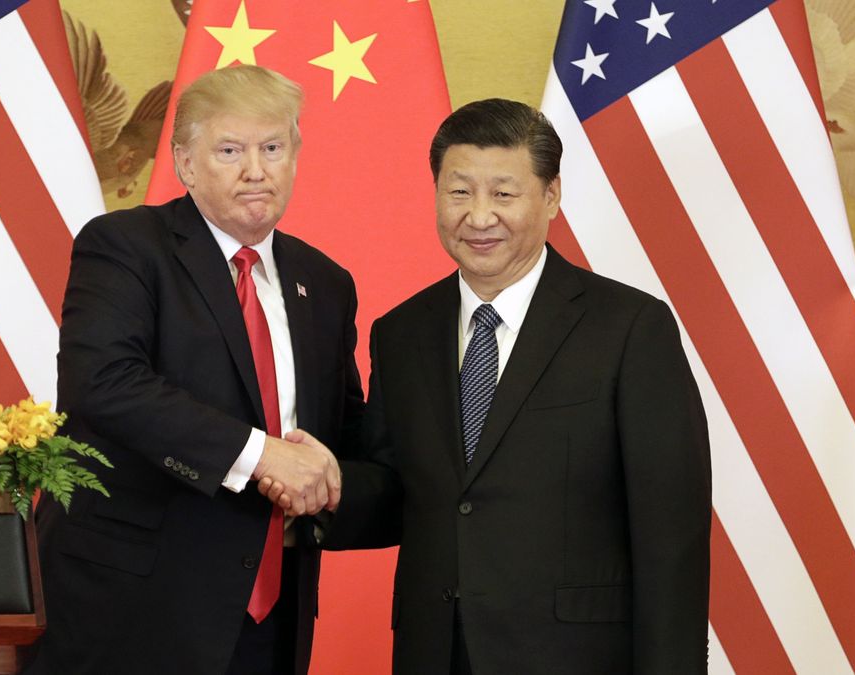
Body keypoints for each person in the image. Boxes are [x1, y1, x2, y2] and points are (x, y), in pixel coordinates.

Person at [266, 98, 711, 674]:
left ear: (551, 196)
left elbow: (671, 536)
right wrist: (324, 488)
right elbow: (403, 492)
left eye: (503, 194)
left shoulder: (629, 328)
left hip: (576, 658)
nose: (479, 217)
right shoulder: (401, 332)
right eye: (459, 192)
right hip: (435, 651)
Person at [23, 65, 363, 675]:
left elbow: (342, 431)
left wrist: (331, 477)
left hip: (269, 618)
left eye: (272, 148)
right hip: (131, 607)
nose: (255, 170)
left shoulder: (326, 283)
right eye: (230, 150)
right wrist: (262, 456)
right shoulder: (125, 245)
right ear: (184, 162)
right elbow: (102, 384)